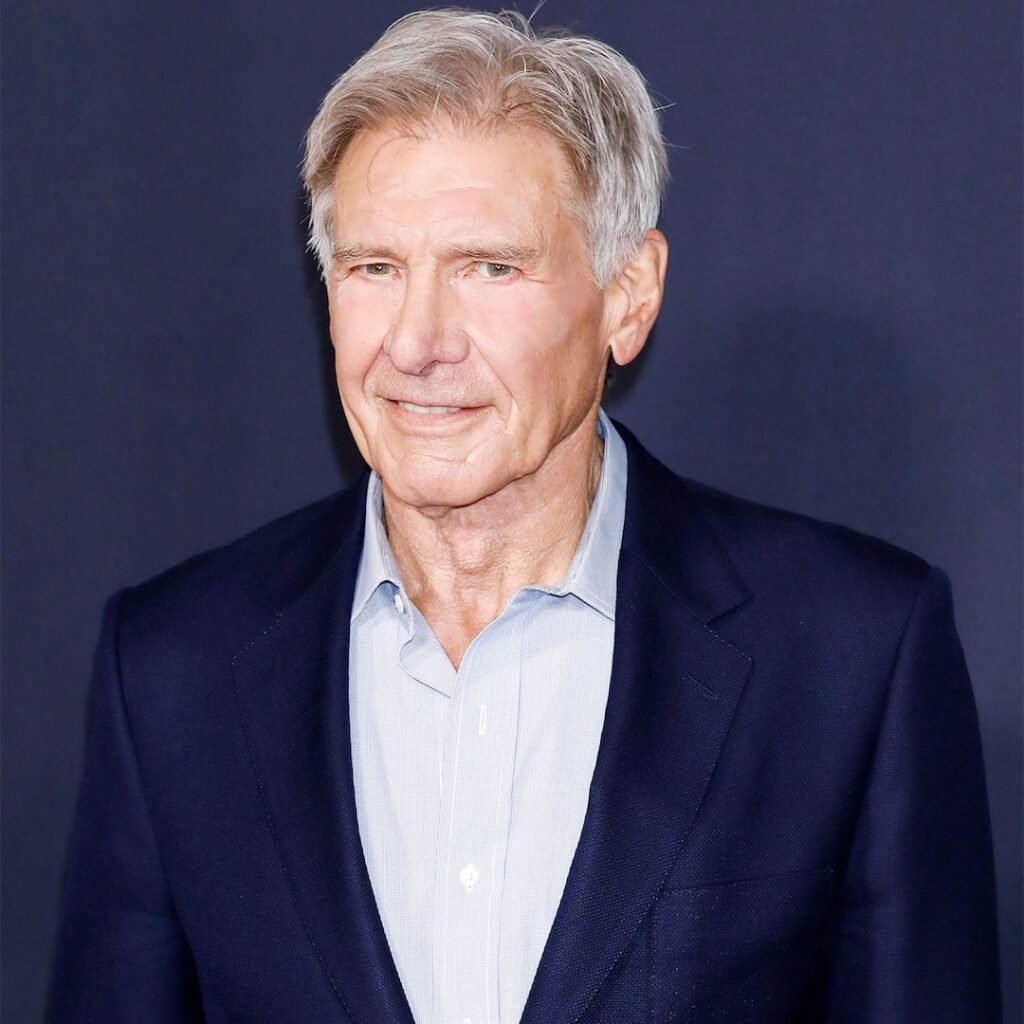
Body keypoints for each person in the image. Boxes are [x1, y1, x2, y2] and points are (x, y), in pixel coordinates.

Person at [49, 9, 1001, 1023]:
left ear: (628, 294)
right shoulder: (174, 669)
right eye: (374, 268)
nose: (416, 342)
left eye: (488, 268)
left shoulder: (849, 656)